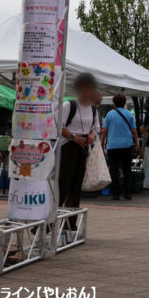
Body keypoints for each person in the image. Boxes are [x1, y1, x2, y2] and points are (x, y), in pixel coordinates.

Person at [59, 73, 100, 211]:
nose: (87, 91)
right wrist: (73, 137)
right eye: (84, 87)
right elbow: (59, 127)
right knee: (63, 185)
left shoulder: (94, 110)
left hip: (83, 149)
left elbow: (95, 129)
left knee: (76, 188)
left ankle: (70, 226)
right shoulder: (69, 105)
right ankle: (49, 224)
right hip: (68, 148)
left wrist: (92, 137)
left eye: (90, 88)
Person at [100, 93, 140, 201]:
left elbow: (104, 131)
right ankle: (127, 193)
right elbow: (134, 131)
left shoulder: (109, 114)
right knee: (127, 170)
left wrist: (102, 143)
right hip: (127, 145)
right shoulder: (129, 114)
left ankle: (116, 193)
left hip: (112, 146)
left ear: (114, 103)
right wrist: (137, 144)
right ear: (124, 103)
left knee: (114, 170)